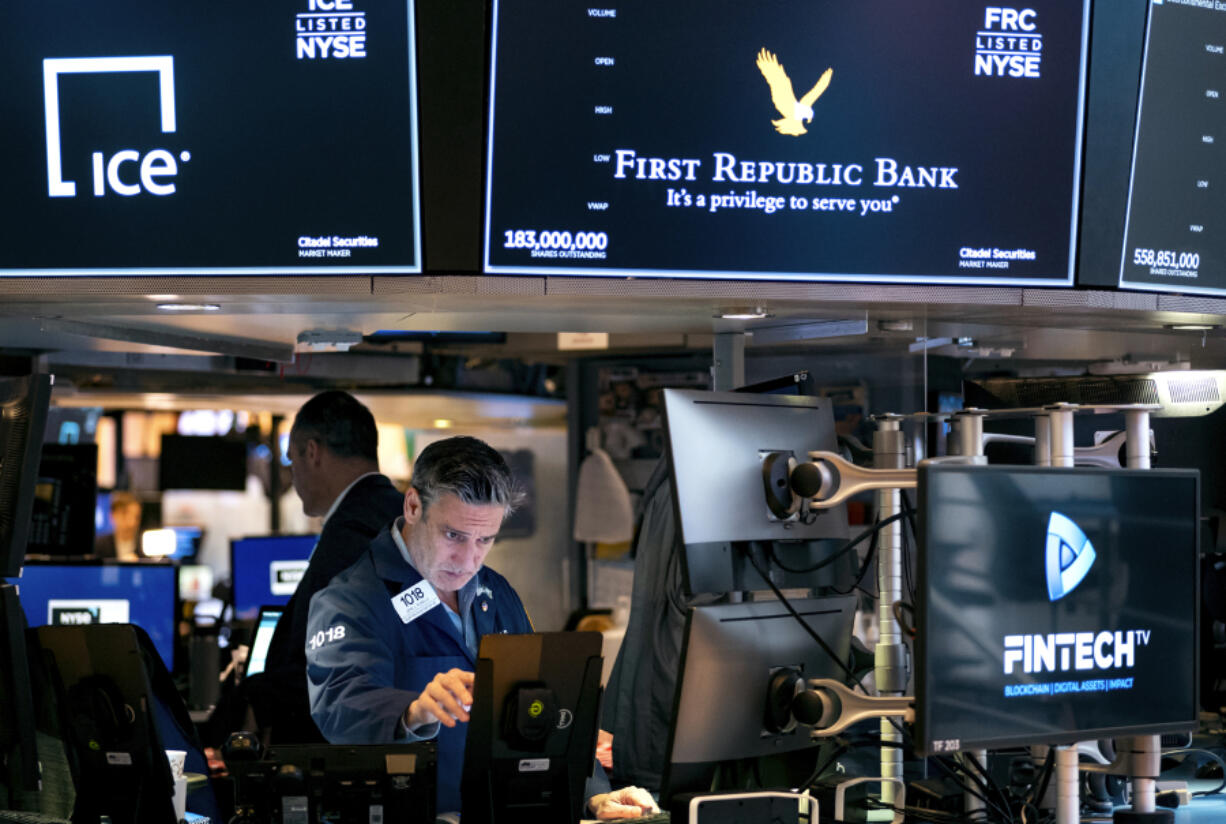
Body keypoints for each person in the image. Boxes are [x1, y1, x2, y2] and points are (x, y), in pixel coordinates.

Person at [306, 436, 655, 819]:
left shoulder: (498, 592)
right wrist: (413, 709)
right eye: (453, 535)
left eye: (485, 539)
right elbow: (338, 706)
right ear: (412, 506)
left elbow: (539, 707)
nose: (467, 559)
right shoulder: (350, 599)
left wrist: (592, 792)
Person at [243, 390, 404, 744]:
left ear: (312, 452)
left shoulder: (350, 533)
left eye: (292, 460)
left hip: (341, 749)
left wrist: (258, 694)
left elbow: (328, 661)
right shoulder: (398, 516)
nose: (293, 476)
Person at [93, 491, 144, 560]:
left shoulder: (146, 546)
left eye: (136, 517)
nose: (132, 522)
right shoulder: (99, 546)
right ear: (112, 515)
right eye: (125, 514)